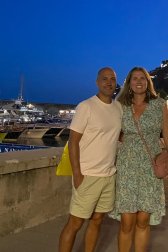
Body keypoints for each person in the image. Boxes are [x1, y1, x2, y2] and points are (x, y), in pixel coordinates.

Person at [108, 67, 168, 252]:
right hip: (127, 166)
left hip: (150, 164)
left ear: (148, 82)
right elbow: (111, 131)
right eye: (134, 79)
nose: (138, 81)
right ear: (129, 84)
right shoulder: (121, 106)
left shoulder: (159, 104)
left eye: (142, 78)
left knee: (142, 220)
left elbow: (167, 133)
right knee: (127, 221)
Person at [59, 68, 123, 252]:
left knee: (97, 221)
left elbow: (118, 136)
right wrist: (77, 173)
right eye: (105, 79)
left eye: (112, 79)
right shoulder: (86, 106)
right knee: (75, 223)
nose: (109, 83)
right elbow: (73, 141)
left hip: (108, 175)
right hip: (87, 175)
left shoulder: (118, 108)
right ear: (97, 82)